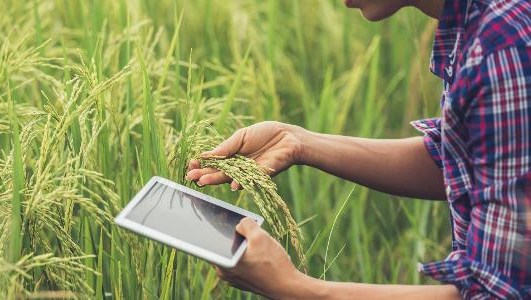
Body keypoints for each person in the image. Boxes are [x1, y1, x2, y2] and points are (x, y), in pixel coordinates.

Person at [186, 0, 531, 299]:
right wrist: (297, 141)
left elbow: (495, 294)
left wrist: (292, 287)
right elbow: (468, 162)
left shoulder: (501, 46)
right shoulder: (482, 25)